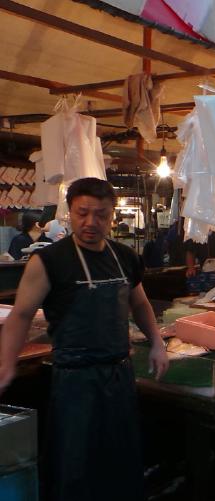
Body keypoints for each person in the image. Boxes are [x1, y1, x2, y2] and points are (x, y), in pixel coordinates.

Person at [0, 178, 169, 501]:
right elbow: (21, 315)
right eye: (83, 213)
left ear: (112, 215)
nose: (91, 222)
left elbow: (140, 304)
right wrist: (7, 364)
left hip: (119, 375)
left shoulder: (124, 257)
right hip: (75, 380)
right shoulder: (48, 261)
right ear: (70, 212)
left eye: (101, 215)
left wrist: (158, 344)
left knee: (121, 461)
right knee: (76, 468)